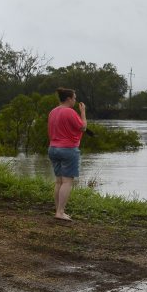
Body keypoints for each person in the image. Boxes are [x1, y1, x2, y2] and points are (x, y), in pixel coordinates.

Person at [47, 87, 87, 221]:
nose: (75, 100)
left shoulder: (53, 111)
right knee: (67, 182)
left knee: (59, 181)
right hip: (68, 150)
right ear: (69, 99)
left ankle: (58, 210)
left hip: (53, 148)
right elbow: (83, 127)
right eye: (74, 98)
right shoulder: (69, 112)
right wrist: (82, 112)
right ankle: (60, 212)